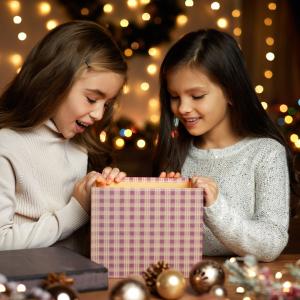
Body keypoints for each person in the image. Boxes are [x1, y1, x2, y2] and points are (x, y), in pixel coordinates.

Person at [154, 29, 291, 262]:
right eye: (174, 96)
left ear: (230, 92)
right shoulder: (176, 152)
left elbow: (271, 243)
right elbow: (164, 244)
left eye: (196, 96)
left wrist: (216, 207)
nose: (183, 108)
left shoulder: (266, 153)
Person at [0, 21, 127, 253]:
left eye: (106, 104)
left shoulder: (83, 147)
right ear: (54, 81)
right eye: (91, 99)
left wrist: (108, 199)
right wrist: (77, 209)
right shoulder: (6, 147)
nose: (99, 114)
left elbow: (86, 243)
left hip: (81, 280)